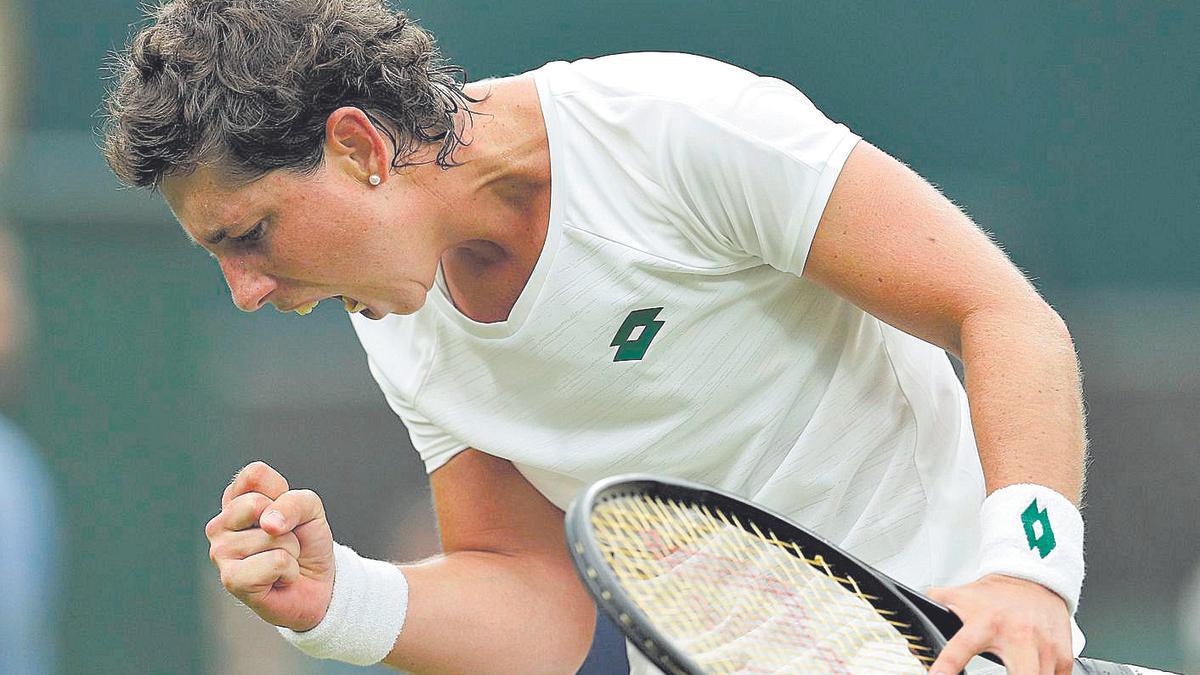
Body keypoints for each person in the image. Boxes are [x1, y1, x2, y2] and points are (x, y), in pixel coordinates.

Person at [102, 1, 1090, 673]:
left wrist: (1026, 575)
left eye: (250, 234)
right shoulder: (396, 315)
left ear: (358, 148)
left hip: (963, 644)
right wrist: (339, 601)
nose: (244, 289)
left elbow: (1000, 314)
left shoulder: (678, 129)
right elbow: (536, 599)